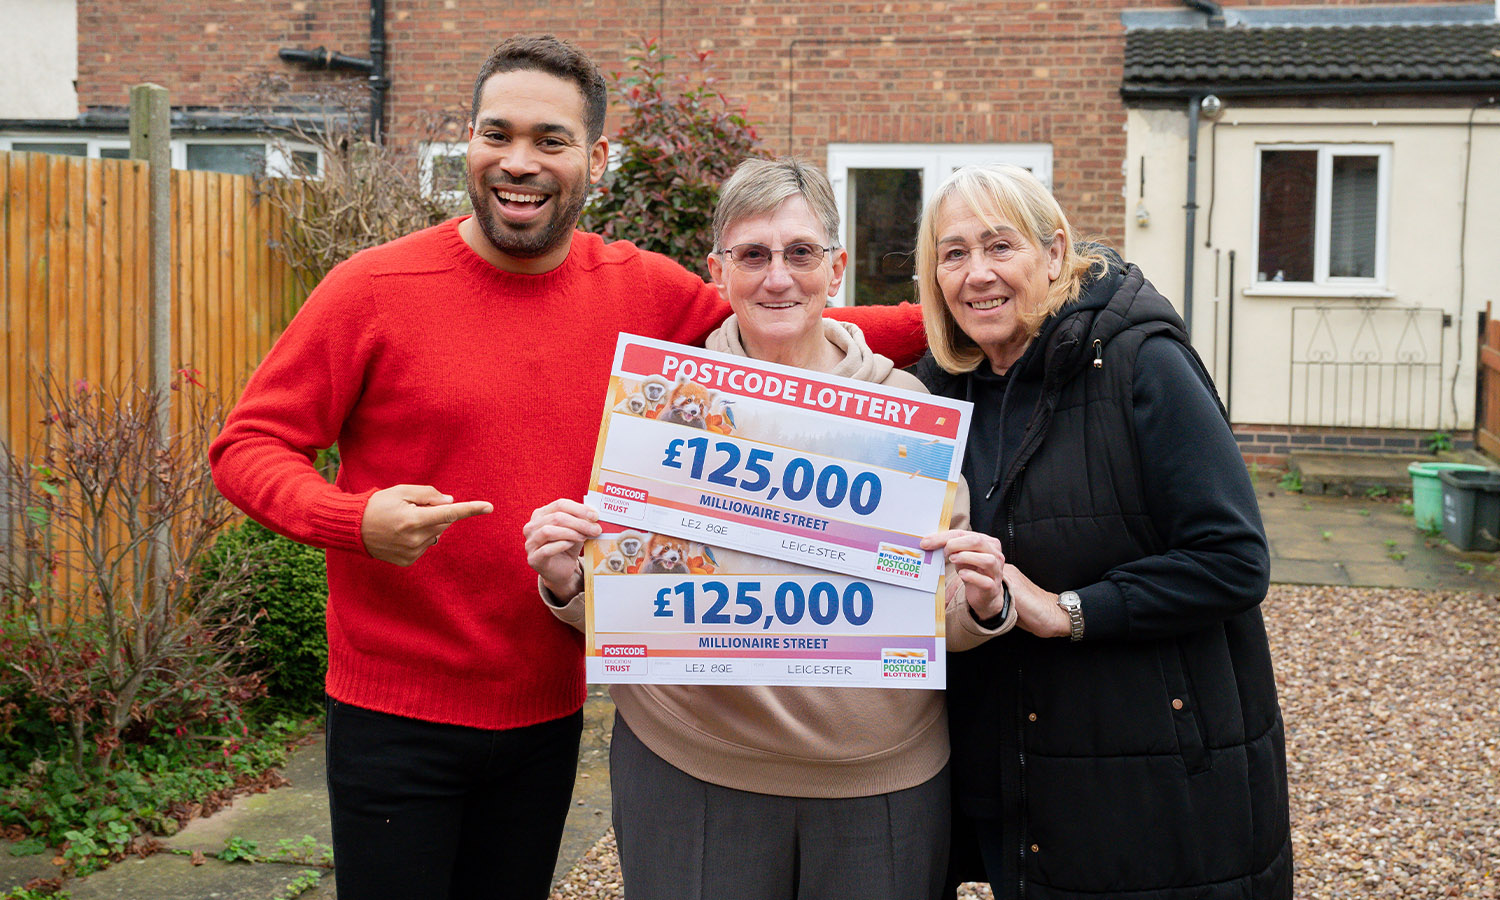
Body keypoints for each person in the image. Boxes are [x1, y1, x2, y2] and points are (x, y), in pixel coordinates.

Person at [208, 36, 924, 900]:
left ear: (595, 159)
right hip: (395, 713)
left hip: (549, 709)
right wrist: (350, 521)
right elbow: (247, 446)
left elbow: (784, 318)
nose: (519, 162)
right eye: (496, 134)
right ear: (469, 142)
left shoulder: (644, 291)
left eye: (549, 140)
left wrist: (975, 309)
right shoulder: (373, 288)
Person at [522, 158, 1016, 900]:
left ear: (836, 267)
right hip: (689, 766)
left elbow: (938, 611)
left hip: (878, 778)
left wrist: (983, 605)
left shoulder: (906, 410)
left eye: (800, 253)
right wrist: (566, 581)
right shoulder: (665, 401)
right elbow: (637, 600)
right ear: (718, 270)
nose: (777, 277)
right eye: (753, 255)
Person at [911, 165, 1292, 900]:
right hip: (1007, 769)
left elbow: (1234, 558)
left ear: (1054, 254)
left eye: (1000, 246)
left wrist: (1068, 610)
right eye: (953, 254)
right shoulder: (937, 391)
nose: (977, 274)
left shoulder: (1137, 362)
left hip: (1144, 775)